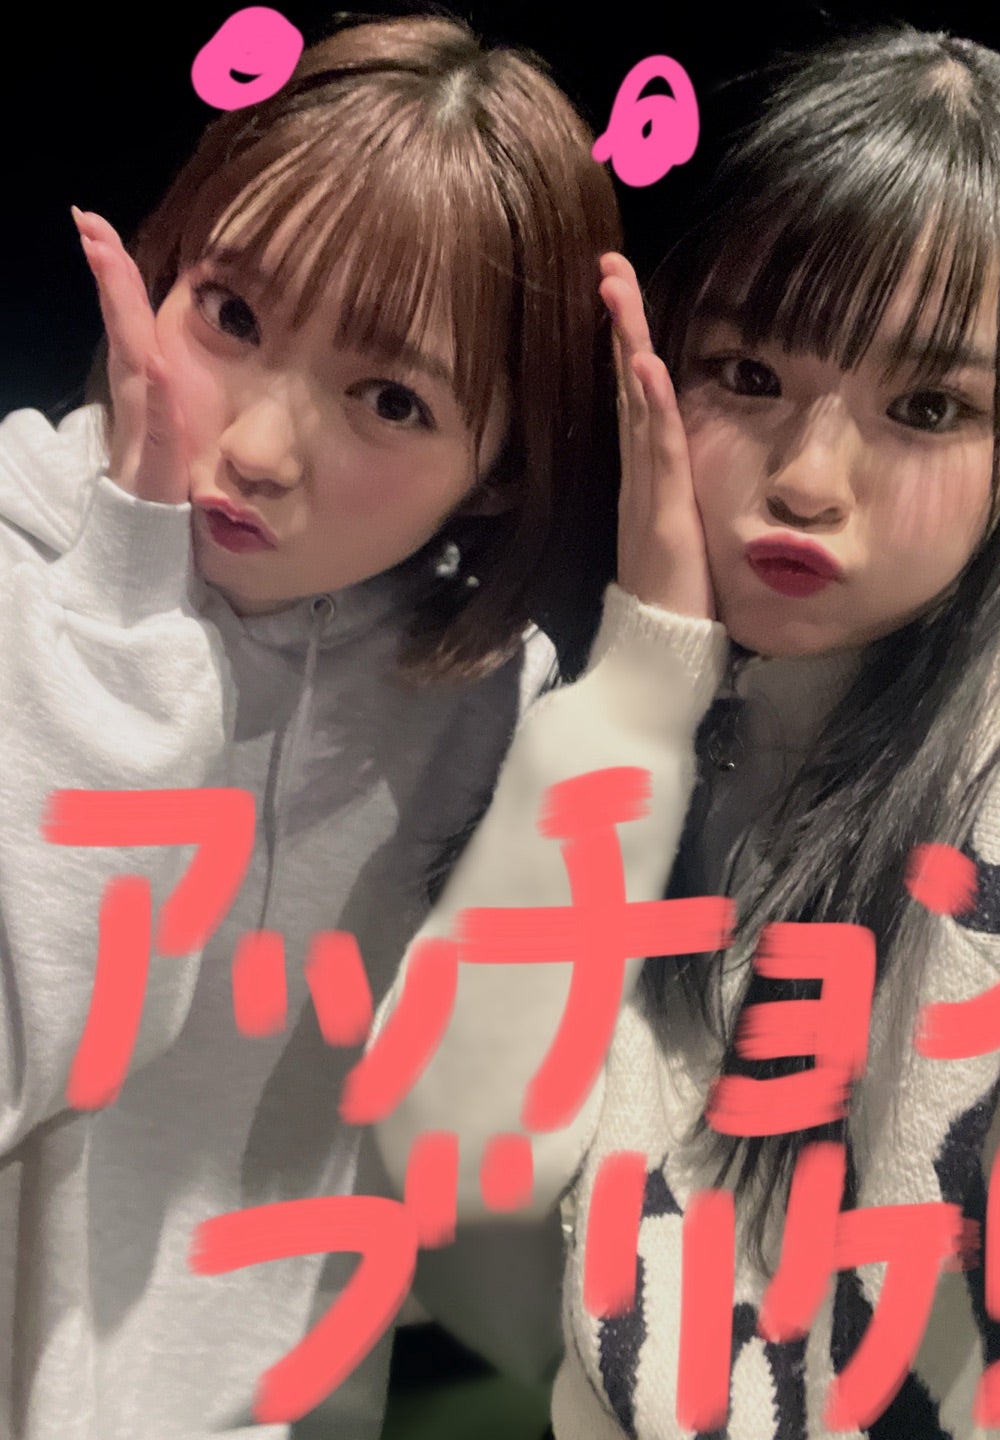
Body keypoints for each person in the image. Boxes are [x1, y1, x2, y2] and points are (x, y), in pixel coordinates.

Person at [375, 27, 1000, 1440]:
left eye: (928, 407)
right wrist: (647, 680)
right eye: (748, 375)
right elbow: (452, 1159)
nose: (809, 479)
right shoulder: (596, 707)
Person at [0, 14, 620, 1438]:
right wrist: (119, 609)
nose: (259, 448)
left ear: (499, 470)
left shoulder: (488, 703)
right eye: (230, 315)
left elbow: (498, 1162)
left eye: (390, 399)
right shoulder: (18, 577)